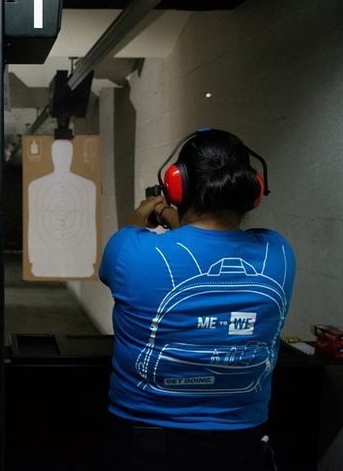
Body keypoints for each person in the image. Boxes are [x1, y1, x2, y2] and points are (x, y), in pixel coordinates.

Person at [98, 129, 295, 471]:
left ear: (177, 186)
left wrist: (147, 214)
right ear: (255, 189)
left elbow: (130, 239)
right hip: (244, 445)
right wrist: (180, 221)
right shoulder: (277, 252)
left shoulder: (130, 251)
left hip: (146, 444)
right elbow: (210, 239)